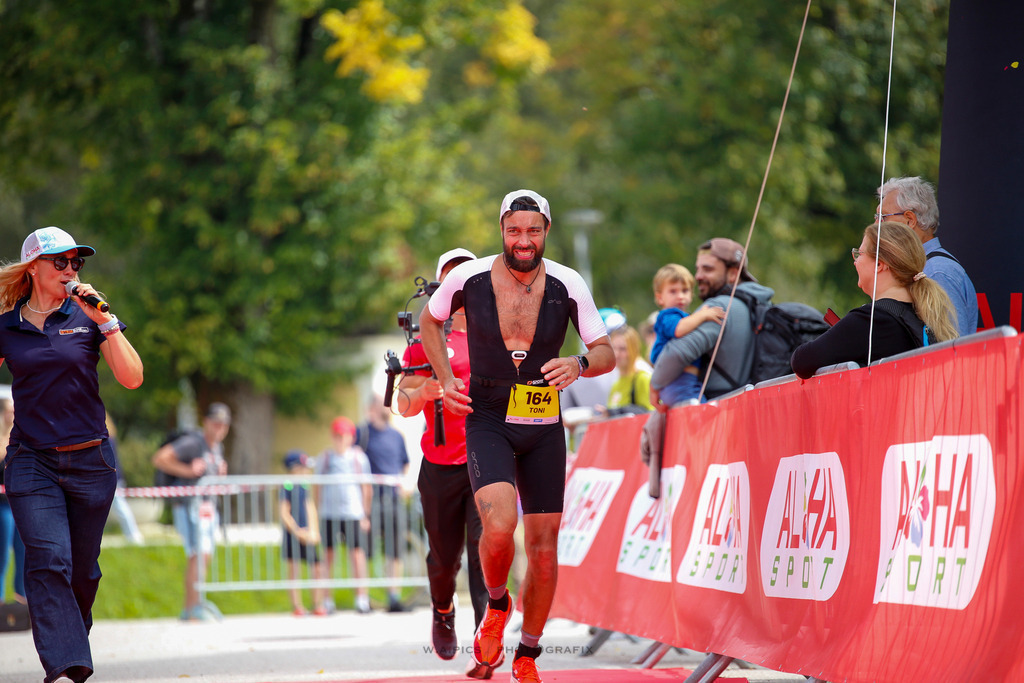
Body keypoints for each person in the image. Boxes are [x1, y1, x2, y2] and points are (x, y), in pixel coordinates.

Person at [418, 189, 614, 683]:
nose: (522, 240)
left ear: (546, 231)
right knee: (500, 525)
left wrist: (579, 363)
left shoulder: (569, 282)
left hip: (543, 423)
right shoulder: (467, 276)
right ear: (501, 231)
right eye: (513, 231)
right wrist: (444, 379)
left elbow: (606, 351)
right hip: (487, 416)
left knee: (544, 546)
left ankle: (527, 653)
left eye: (532, 231)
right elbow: (430, 321)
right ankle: (497, 603)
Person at [0, 226, 144, 683]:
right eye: (59, 261)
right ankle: (67, 663)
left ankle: (70, 641)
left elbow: (132, 378)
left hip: (91, 462)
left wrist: (105, 320)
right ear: (33, 268)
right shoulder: (7, 326)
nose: (70, 270)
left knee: (82, 571)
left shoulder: (89, 317)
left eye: (75, 262)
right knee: (48, 558)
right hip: (31, 460)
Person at [396, 247, 490, 674]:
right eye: (450, 277)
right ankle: (443, 610)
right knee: (443, 559)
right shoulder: (425, 340)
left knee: (486, 554)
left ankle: (486, 641)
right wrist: (423, 392)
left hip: (486, 463)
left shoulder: (496, 334)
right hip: (439, 464)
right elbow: (403, 404)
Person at [791, 222, 959, 378]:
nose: (855, 262)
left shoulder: (871, 320)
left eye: (859, 254)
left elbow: (802, 360)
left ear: (879, 264)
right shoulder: (922, 314)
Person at [650, 238, 774, 405]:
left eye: (708, 269)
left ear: (733, 274)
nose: (698, 276)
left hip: (717, 406)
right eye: (698, 269)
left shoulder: (718, 308)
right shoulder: (758, 305)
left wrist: (655, 385)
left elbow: (677, 353)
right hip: (750, 405)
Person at [151, 402, 231, 621]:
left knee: (204, 555)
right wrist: (187, 470)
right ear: (206, 422)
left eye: (224, 424)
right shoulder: (193, 442)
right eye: (216, 423)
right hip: (189, 507)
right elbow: (160, 458)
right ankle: (192, 608)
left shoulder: (217, 447)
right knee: (197, 555)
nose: (220, 428)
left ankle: (194, 606)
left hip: (207, 508)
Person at [876, 176, 978, 336]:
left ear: (910, 220)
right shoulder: (929, 268)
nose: (876, 226)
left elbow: (950, 343)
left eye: (883, 217)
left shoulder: (936, 272)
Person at [357, 397, 410, 613]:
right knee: (366, 548)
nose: (388, 407)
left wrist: (403, 483)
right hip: (372, 500)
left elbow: (404, 463)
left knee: (395, 549)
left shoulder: (397, 435)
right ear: (372, 408)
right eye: (383, 403)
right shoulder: (362, 433)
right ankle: (364, 597)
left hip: (394, 498)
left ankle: (394, 596)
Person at [316, 415, 372, 614]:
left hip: (353, 513)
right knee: (328, 556)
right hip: (329, 514)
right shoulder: (325, 458)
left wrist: (365, 515)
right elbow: (317, 487)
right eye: (337, 435)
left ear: (351, 437)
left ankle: (362, 598)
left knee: (357, 555)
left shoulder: (358, 458)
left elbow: (366, 488)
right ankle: (327, 600)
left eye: (344, 435)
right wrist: (317, 512)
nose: (340, 439)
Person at [649, 263, 727, 406]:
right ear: (660, 298)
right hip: (677, 382)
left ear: (691, 294)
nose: (680, 296)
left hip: (685, 382)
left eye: (685, 291)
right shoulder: (667, 315)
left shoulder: (686, 317)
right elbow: (678, 330)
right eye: (673, 291)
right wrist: (703, 315)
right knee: (701, 410)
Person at [279, 450, 325, 616]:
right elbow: (284, 512)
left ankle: (317, 604)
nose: (307, 471)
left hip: (308, 534)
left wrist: (314, 530)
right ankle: (297, 606)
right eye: (304, 467)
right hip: (293, 534)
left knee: (317, 568)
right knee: (294, 570)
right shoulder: (287, 485)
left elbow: (310, 506)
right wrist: (297, 532)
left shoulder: (304, 485)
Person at [595, 325, 655, 418]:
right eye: (614, 348)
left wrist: (616, 412)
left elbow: (651, 414)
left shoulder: (643, 378)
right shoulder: (616, 384)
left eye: (622, 349)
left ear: (634, 350)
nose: (617, 354)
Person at [1, 396, 27, 605]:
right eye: (10, 410)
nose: (14, 413)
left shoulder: (21, 434)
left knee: (24, 555)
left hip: (21, 504)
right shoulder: (5, 438)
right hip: (3, 505)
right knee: (2, 557)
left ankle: (22, 604)